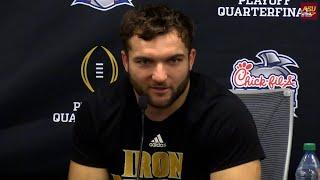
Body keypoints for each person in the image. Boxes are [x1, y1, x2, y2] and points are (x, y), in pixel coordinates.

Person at [68, 4, 265, 180]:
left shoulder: (225, 116)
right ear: (126, 61)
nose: (160, 76)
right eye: (145, 61)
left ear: (191, 59)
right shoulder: (98, 111)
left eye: (173, 60)